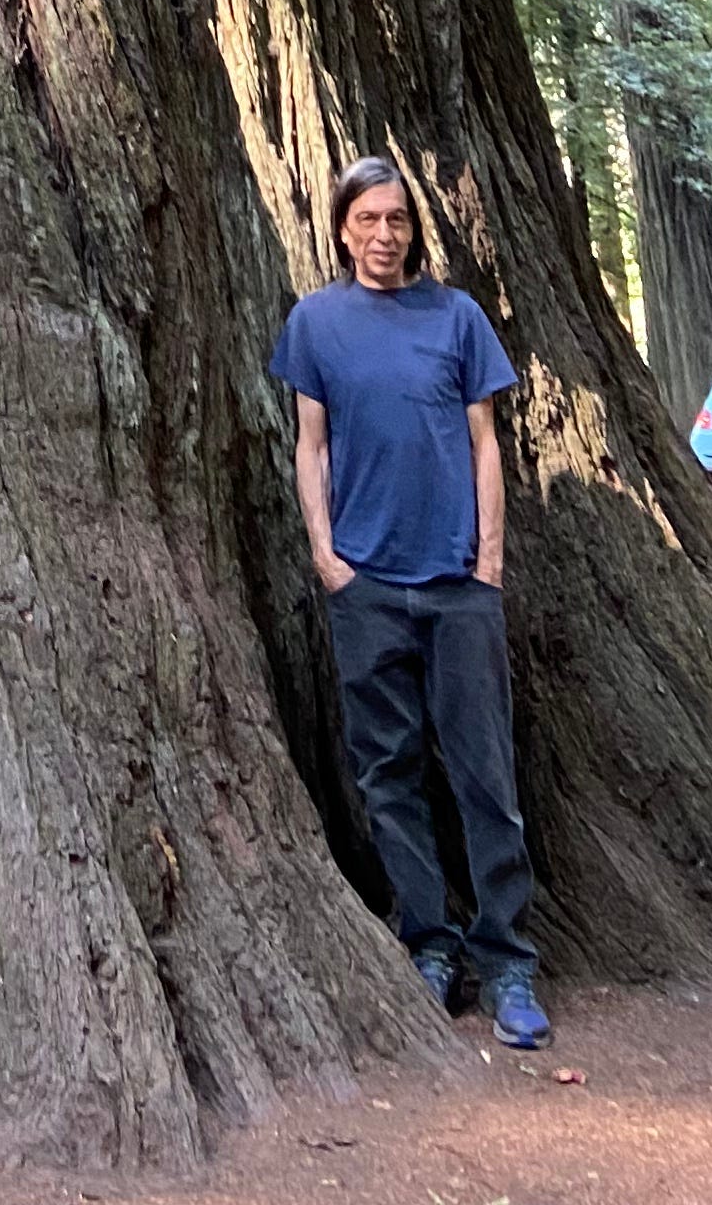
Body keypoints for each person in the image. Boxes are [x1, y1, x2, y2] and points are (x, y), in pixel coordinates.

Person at [271, 153, 550, 1049]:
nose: (384, 236)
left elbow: (485, 444)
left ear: (412, 229)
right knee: (388, 775)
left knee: (484, 775)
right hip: (367, 586)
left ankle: (507, 961)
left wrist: (491, 563)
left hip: (458, 584)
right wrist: (326, 556)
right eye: (368, 221)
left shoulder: (457, 317)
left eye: (397, 220)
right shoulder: (315, 323)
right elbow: (310, 446)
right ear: (344, 228)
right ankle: (429, 944)